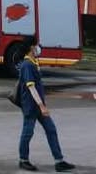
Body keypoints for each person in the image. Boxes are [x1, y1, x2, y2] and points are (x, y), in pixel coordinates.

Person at [17, 35, 75, 172]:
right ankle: (23, 160)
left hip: (38, 105)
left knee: (51, 130)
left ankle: (59, 161)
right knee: (28, 132)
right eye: (37, 45)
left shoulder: (33, 62)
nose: (39, 47)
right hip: (31, 106)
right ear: (32, 47)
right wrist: (42, 106)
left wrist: (42, 105)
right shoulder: (27, 65)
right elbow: (31, 87)